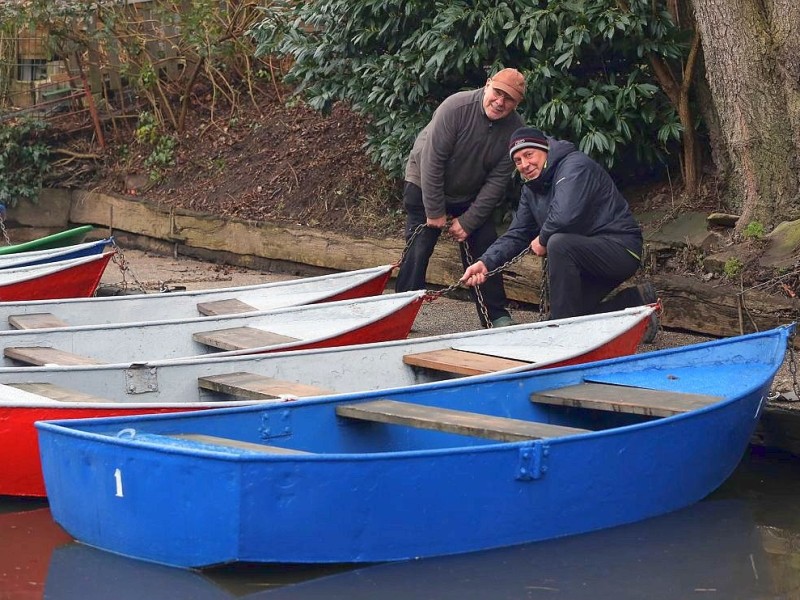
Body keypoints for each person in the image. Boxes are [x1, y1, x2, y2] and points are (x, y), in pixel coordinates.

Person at [460, 126, 658, 340]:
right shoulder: (531, 188)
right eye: (518, 161)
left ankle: (561, 336)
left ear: (544, 149)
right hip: (583, 258)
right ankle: (636, 304)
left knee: (557, 244)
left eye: (528, 155)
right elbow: (517, 234)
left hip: (621, 249)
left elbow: (565, 214)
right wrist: (486, 262)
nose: (524, 165)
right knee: (572, 314)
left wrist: (542, 238)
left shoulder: (574, 165)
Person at [394, 68, 526, 328]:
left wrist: (469, 220)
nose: (499, 102)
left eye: (508, 99)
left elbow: (498, 181)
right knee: (419, 248)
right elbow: (432, 161)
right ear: (487, 85)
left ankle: (496, 315)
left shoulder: (515, 131)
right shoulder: (455, 107)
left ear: (516, 104)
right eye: (497, 93)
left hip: (470, 193)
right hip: (425, 184)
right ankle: (399, 315)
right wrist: (434, 211)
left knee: (486, 247)